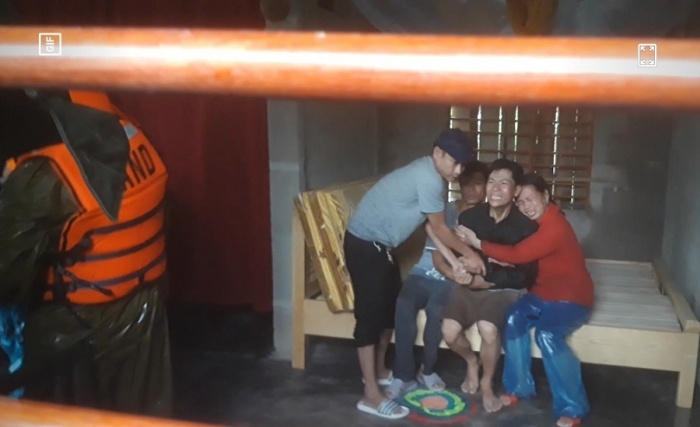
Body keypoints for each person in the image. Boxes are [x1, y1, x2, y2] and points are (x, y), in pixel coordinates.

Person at [0, 89, 173, 416]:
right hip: (146, 306)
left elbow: (6, 278)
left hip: (78, 325)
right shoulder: (132, 134)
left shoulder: (44, 174)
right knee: (142, 416)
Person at [344, 128, 485, 419]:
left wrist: (454, 262)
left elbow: (431, 228)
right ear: (437, 153)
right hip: (365, 245)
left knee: (388, 312)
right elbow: (442, 229)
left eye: (463, 165)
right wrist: (470, 255)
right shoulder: (429, 177)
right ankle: (371, 395)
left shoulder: (434, 177)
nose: (458, 171)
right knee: (369, 320)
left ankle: (381, 370)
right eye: (454, 162)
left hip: (383, 248)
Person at [458, 173, 595, 427]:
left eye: (530, 199)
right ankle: (518, 388)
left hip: (572, 299)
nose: (525, 206)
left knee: (547, 335)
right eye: (520, 202)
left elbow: (519, 253)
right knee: (512, 319)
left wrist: (478, 243)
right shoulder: (532, 224)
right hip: (541, 294)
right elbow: (519, 257)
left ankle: (573, 407)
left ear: (545, 196)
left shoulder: (555, 226)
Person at [434, 158, 538, 413]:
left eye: (504, 183)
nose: (495, 189)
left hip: (502, 290)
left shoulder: (527, 227)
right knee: (449, 332)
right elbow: (459, 256)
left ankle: (487, 383)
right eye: (492, 182)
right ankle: (472, 361)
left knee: (488, 329)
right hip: (469, 287)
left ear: (515, 190)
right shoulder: (469, 217)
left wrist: (487, 275)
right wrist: (459, 272)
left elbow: (524, 276)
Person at [386, 161, 489, 399]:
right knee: (403, 303)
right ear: (459, 185)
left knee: (436, 310)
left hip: (450, 283)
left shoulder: (485, 218)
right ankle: (403, 375)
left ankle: (428, 370)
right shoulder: (445, 211)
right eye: (467, 183)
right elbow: (436, 258)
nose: (472, 189)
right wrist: (454, 274)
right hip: (426, 273)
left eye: (478, 183)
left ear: (486, 186)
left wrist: (460, 278)